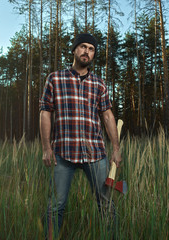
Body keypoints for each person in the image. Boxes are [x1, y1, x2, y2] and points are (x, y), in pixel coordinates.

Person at [39, 33, 122, 238]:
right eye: (83, 47)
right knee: (56, 204)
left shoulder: (99, 84)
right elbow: (45, 112)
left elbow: (108, 115)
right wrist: (46, 148)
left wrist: (116, 149)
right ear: (74, 50)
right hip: (62, 153)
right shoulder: (55, 79)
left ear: (93, 55)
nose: (87, 51)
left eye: (91, 49)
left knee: (106, 203)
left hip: (95, 154)